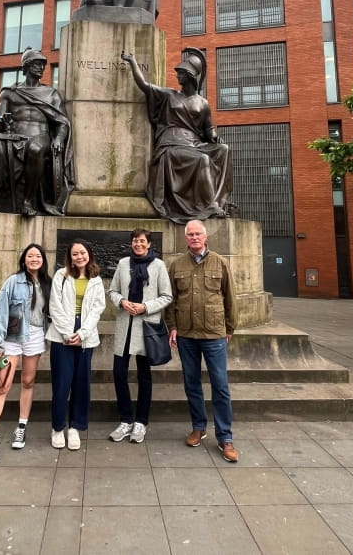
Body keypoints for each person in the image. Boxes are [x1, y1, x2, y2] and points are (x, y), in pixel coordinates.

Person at [121, 48, 232, 223]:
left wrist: (215, 137)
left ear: (190, 76)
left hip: (194, 143)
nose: (177, 76)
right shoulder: (169, 95)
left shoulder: (203, 103)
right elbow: (144, 84)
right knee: (202, 159)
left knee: (224, 149)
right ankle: (210, 205)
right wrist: (132, 61)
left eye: (181, 73)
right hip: (172, 144)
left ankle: (219, 200)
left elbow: (208, 129)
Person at [0, 48, 74, 217]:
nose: (41, 68)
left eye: (42, 65)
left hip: (40, 136)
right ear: (26, 66)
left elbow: (62, 122)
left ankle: (28, 201)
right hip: (12, 136)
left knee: (36, 148)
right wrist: (0, 121)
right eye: (36, 64)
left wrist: (59, 138)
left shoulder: (51, 94)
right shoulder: (10, 92)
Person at [166, 220, 239, 462]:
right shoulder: (176, 266)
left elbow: (230, 297)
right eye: (190, 234)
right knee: (191, 383)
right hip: (186, 334)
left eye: (198, 234)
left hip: (213, 334)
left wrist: (229, 327)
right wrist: (173, 327)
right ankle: (198, 427)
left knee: (220, 385)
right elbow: (171, 301)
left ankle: (225, 437)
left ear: (205, 237)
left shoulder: (220, 262)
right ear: (185, 238)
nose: (194, 238)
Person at [0, 243, 51, 461]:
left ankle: (21, 426)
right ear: (24, 259)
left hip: (36, 337)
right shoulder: (13, 281)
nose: (34, 259)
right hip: (12, 339)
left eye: (37, 256)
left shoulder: (48, 283)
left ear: (43, 260)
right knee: (3, 385)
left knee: (28, 381)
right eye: (30, 256)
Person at [108, 228, 172, 444]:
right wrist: (121, 302)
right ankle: (125, 419)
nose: (138, 244)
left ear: (149, 244)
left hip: (146, 327)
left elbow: (167, 296)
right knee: (119, 373)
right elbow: (113, 291)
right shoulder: (123, 263)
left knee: (144, 376)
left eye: (142, 241)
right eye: (135, 241)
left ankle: (141, 422)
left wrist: (145, 306)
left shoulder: (158, 265)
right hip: (125, 326)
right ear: (131, 243)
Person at [46, 239, 106, 450]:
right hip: (62, 335)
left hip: (85, 337)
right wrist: (66, 332)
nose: (79, 257)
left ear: (89, 254)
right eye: (75, 254)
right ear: (69, 257)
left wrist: (82, 333)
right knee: (61, 384)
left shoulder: (96, 279)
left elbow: (97, 309)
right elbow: (55, 306)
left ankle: (75, 428)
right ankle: (57, 427)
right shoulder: (61, 277)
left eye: (82, 253)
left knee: (81, 385)